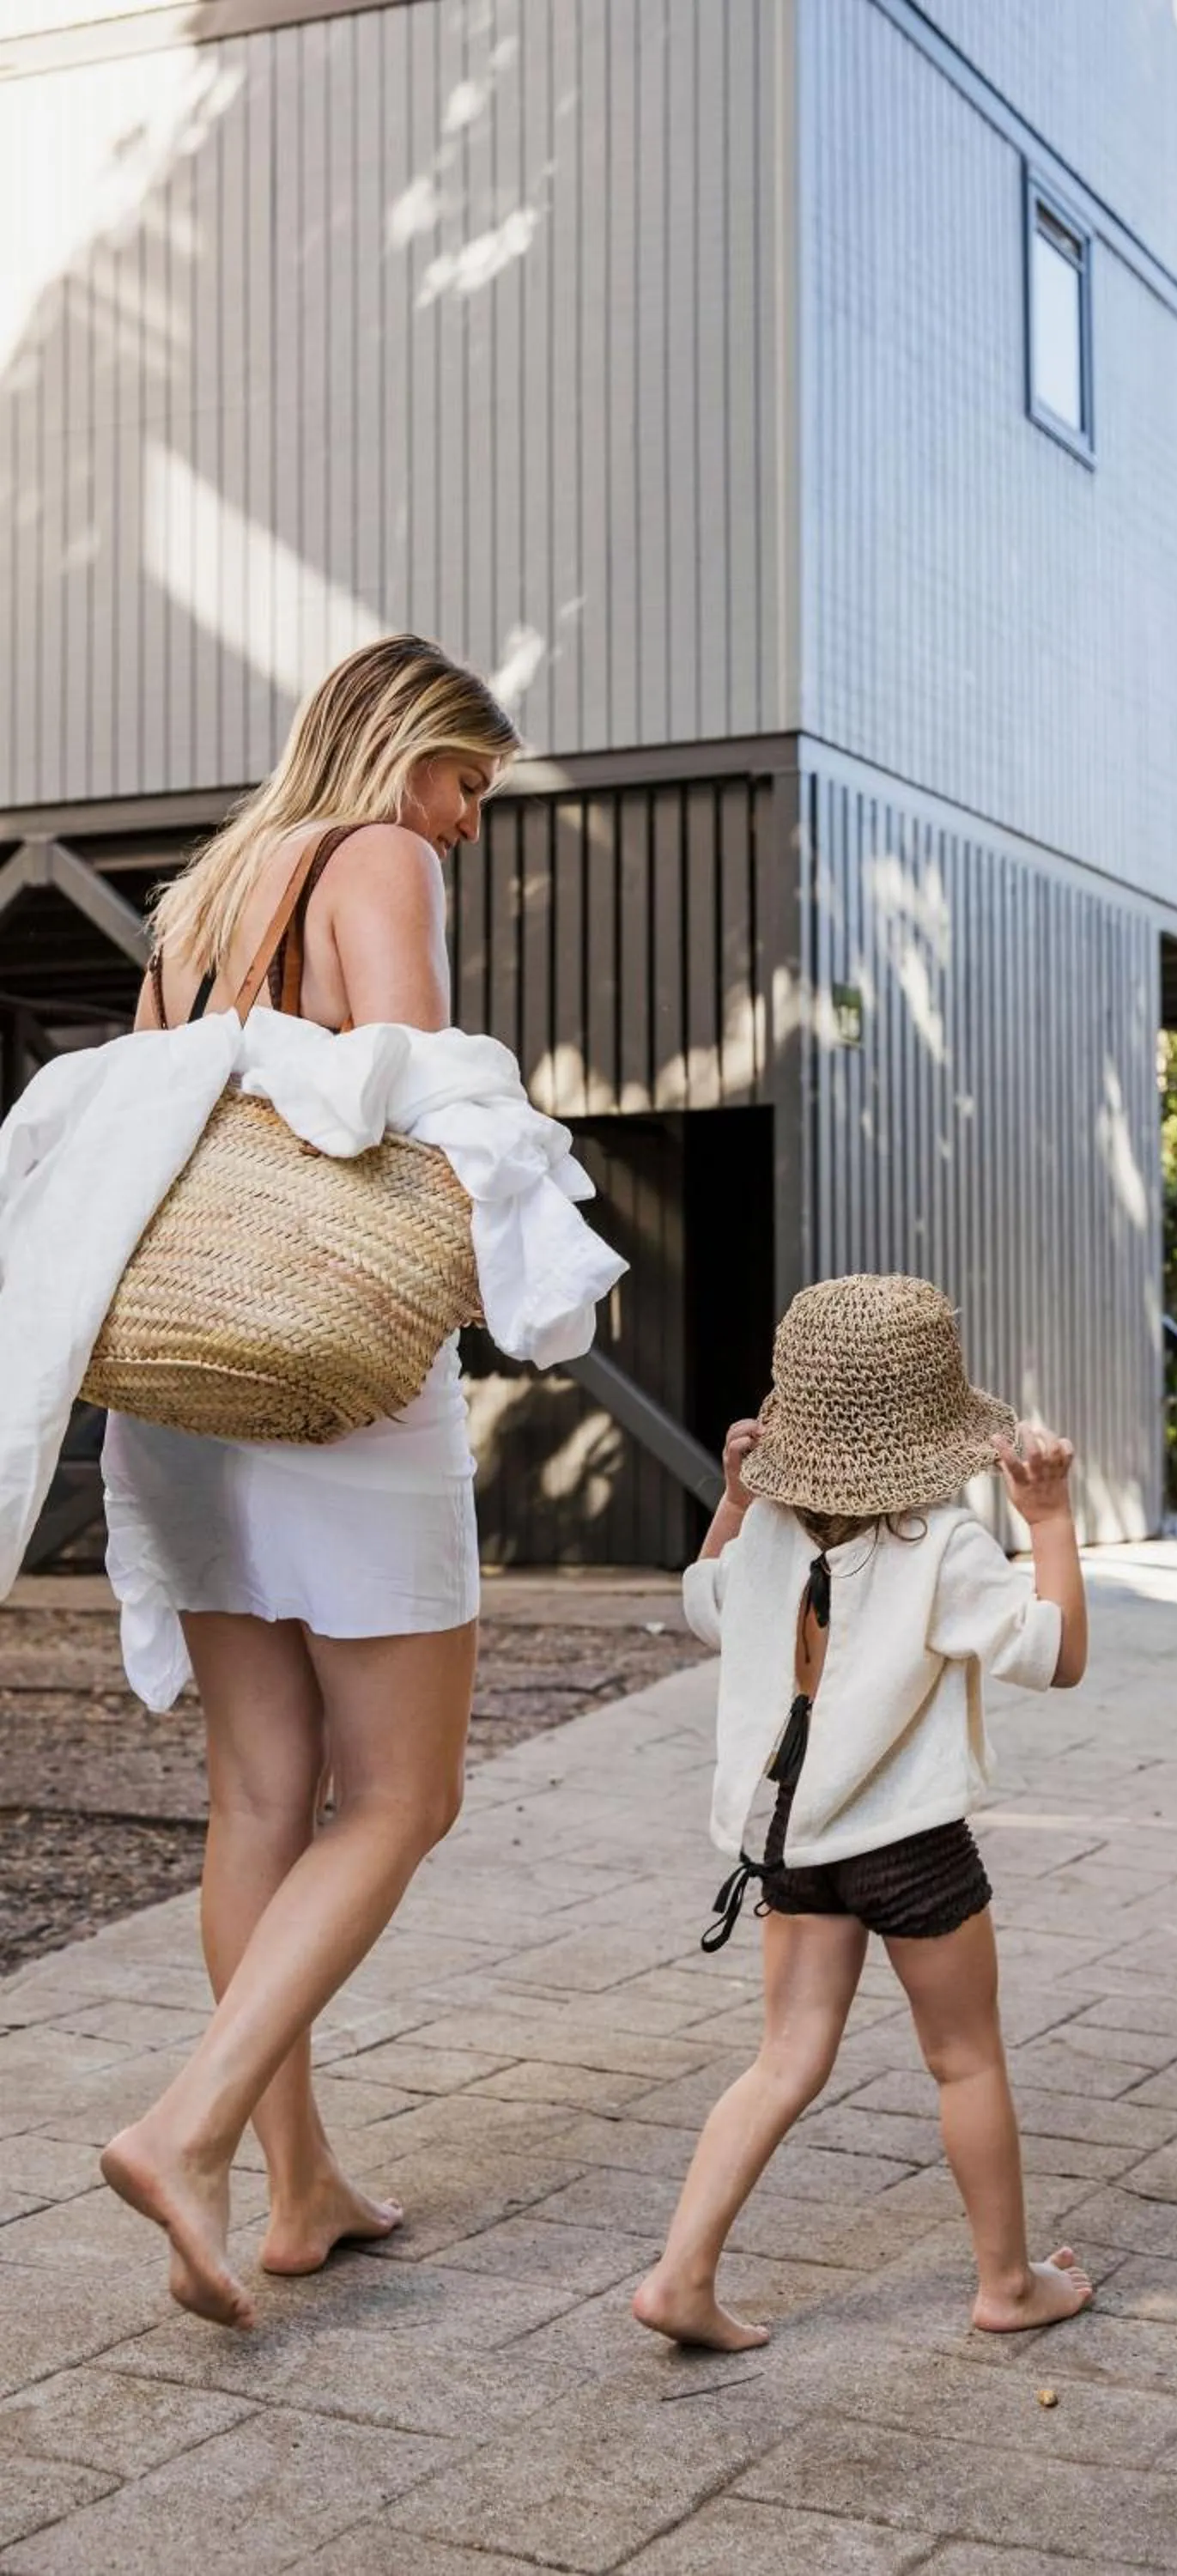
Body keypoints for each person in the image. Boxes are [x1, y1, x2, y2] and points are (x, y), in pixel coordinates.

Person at [97, 635, 522, 2329]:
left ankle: (300, 2189)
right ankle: (189, 2134)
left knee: (261, 1797)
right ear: (408, 753)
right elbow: (412, 1097)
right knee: (404, 1798)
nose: (471, 827)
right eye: (471, 785)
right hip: (332, 1372)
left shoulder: (202, 900)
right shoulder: (382, 857)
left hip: (186, 1373)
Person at [633, 1272, 1093, 2352]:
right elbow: (1057, 1657)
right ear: (932, 1419)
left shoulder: (766, 1536)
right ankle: (1007, 2285)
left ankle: (679, 2277)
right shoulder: (943, 1543)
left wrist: (738, 1500)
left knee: (782, 2058)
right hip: (911, 1847)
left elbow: (702, 1610)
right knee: (965, 2060)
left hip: (791, 1840)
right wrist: (1053, 1518)